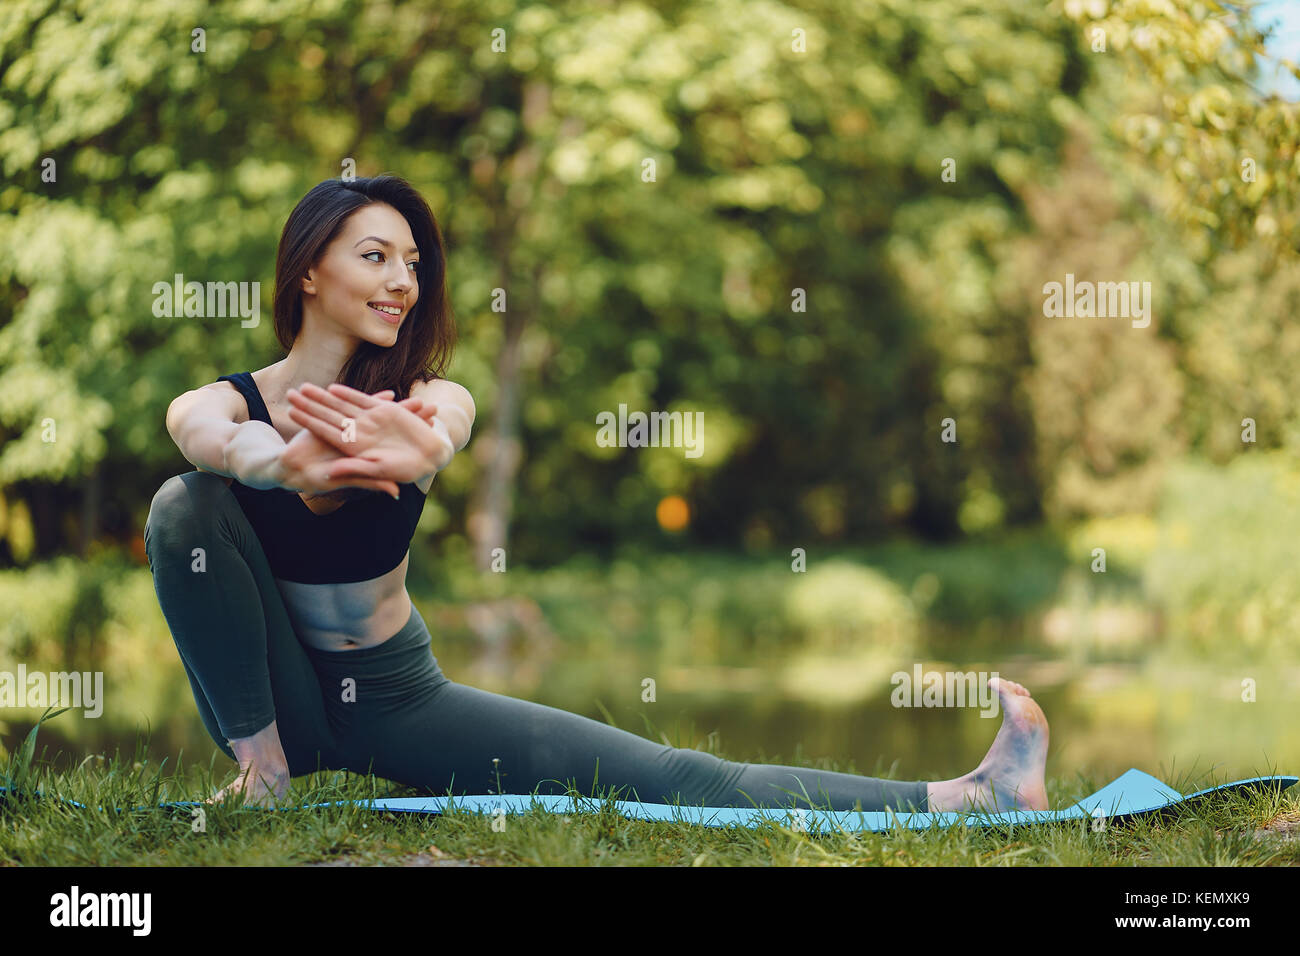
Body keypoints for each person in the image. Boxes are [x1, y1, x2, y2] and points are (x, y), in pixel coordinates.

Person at [144, 174, 1050, 814]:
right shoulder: (236, 400)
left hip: (395, 696)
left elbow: (444, 429)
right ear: (308, 271)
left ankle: (972, 794)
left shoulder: (425, 395)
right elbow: (208, 433)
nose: (402, 282)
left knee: (678, 776)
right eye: (375, 256)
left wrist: (422, 441)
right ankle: (262, 774)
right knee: (187, 502)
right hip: (278, 700)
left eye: (412, 263)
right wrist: (279, 464)